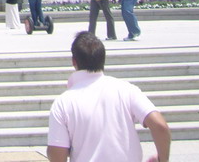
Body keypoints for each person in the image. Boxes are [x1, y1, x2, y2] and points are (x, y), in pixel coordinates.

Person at [46, 31, 171, 162]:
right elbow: (160, 126)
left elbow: (57, 154)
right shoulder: (127, 90)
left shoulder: (63, 103)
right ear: (103, 59)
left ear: (74, 61)